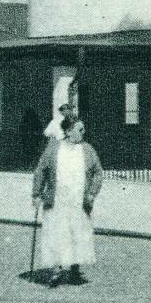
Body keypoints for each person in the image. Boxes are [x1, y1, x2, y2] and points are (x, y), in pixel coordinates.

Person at [32, 117, 103, 287]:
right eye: (80, 129)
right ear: (69, 131)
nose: (83, 132)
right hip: (58, 201)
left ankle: (74, 269)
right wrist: (36, 194)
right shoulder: (54, 148)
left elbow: (98, 172)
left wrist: (92, 193)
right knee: (57, 234)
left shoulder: (87, 150)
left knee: (76, 234)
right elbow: (41, 170)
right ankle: (56, 270)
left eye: (83, 129)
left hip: (78, 201)